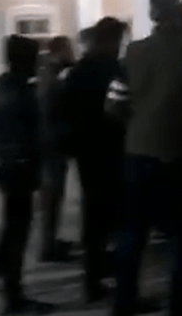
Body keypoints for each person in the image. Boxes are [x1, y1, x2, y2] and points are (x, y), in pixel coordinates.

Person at [105, 0, 182, 316]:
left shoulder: (133, 53)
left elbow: (112, 106)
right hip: (179, 156)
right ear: (178, 10)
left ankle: (124, 303)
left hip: (137, 154)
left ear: (151, 12)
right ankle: (179, 307)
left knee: (133, 234)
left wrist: (138, 125)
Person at [0, 35, 57, 315]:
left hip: (1, 166)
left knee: (13, 226)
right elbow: (28, 136)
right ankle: (13, 296)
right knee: (18, 230)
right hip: (16, 168)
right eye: (36, 58)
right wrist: (34, 170)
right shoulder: (21, 91)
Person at [61, 18, 128, 302]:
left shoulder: (77, 71)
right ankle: (106, 276)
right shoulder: (113, 70)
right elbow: (120, 109)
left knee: (94, 213)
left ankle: (93, 276)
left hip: (86, 151)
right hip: (110, 149)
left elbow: (66, 111)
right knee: (113, 216)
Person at [38, 36, 76, 262]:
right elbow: (54, 110)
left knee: (51, 197)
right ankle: (48, 245)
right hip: (51, 146)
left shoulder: (46, 71)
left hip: (49, 145)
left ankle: (50, 241)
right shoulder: (50, 78)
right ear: (60, 51)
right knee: (52, 196)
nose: (73, 53)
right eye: (69, 49)